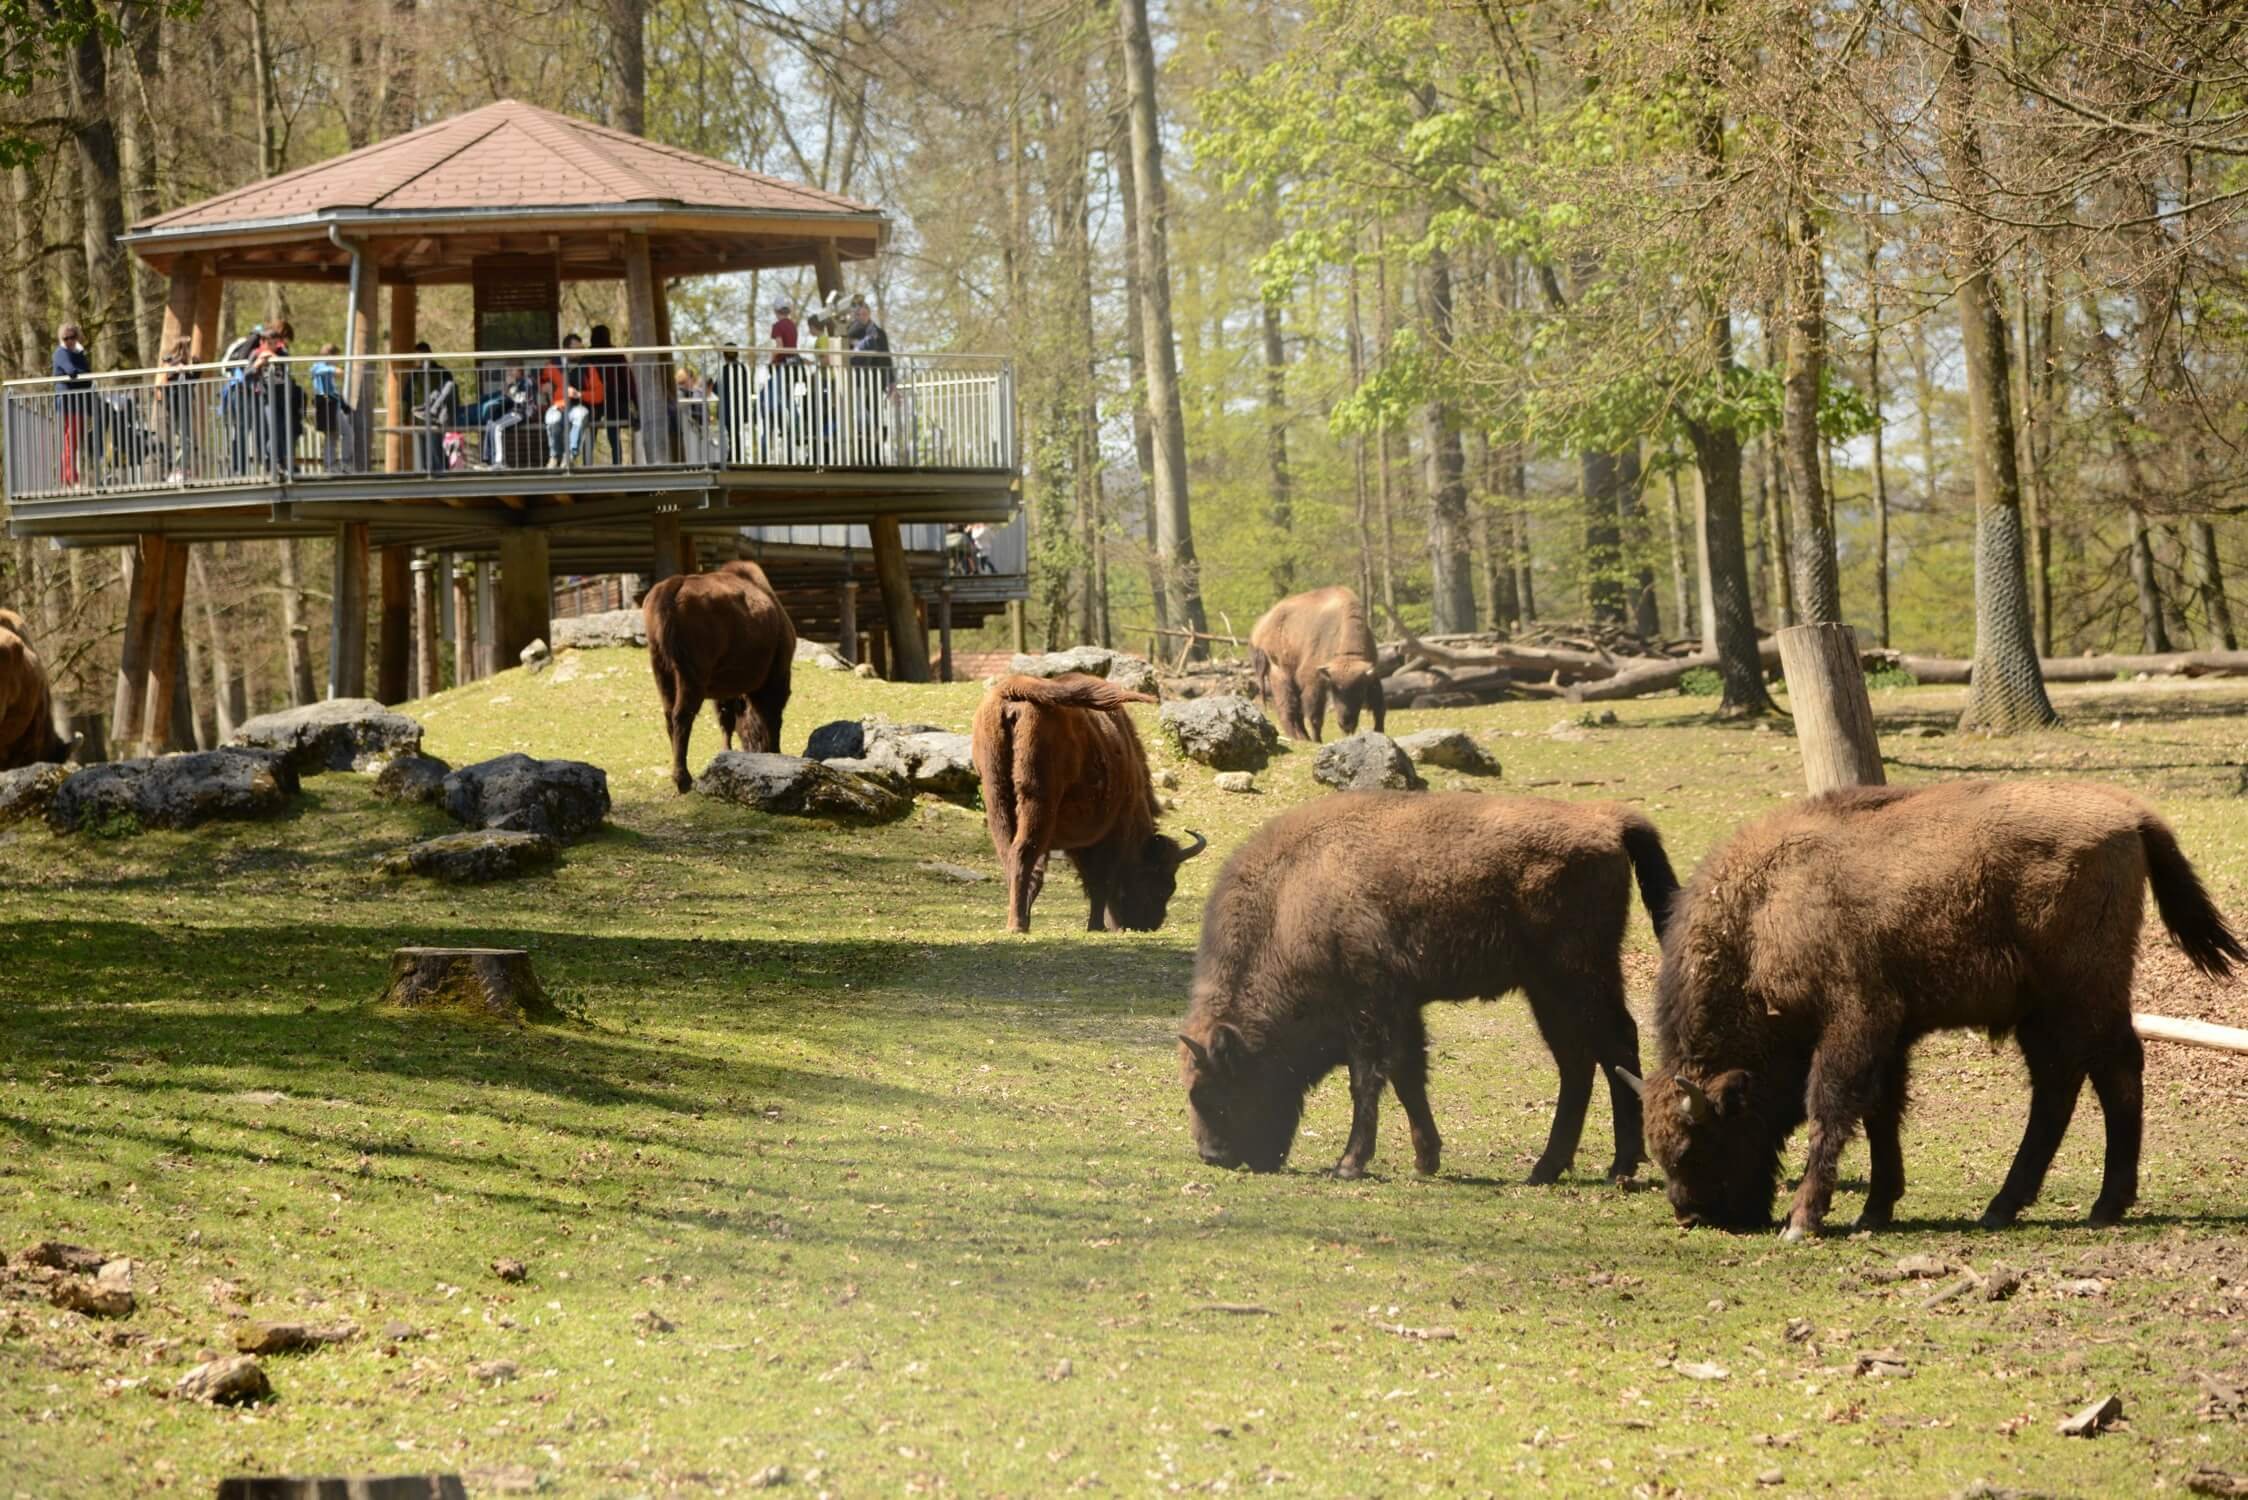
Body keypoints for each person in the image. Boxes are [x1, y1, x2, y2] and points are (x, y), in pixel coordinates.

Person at [541, 333, 603, 469]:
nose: (579, 353)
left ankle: (570, 456)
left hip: (579, 406)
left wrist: (580, 394)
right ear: (566, 349)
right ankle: (554, 456)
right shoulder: (552, 365)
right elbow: (541, 383)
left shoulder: (588, 368)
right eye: (576, 349)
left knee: (580, 416)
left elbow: (599, 395)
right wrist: (545, 387)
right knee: (552, 417)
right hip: (559, 406)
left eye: (581, 349)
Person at [52, 322, 94, 488]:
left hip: (78, 402)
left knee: (73, 442)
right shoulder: (60, 353)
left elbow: (87, 374)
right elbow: (71, 371)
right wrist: (81, 374)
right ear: (62, 338)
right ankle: (70, 478)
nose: (69, 340)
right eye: (66, 337)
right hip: (67, 403)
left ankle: (69, 477)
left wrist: (82, 372)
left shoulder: (78, 353)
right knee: (70, 441)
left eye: (72, 337)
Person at [760, 296, 802, 455]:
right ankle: (797, 425)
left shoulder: (777, 326)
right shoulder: (792, 325)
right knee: (789, 399)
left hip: (782, 366)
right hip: (793, 366)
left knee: (773, 399)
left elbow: (780, 347)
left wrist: (771, 361)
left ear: (776, 311)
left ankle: (775, 425)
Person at [586, 325, 633, 465]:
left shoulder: (589, 356)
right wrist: (631, 400)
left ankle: (586, 466)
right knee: (613, 434)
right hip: (614, 398)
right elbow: (627, 379)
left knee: (590, 431)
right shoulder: (616, 354)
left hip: (596, 399)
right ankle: (617, 465)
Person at [476, 365, 535, 468]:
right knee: (490, 423)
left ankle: (499, 461)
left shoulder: (526, 382)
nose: (510, 373)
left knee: (498, 427)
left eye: (512, 369)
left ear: (520, 370)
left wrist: (510, 385)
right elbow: (509, 398)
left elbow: (519, 399)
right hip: (512, 412)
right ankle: (487, 459)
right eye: (508, 370)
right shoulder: (515, 383)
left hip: (522, 413)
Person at [308, 343, 355, 473]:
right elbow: (315, 370)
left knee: (333, 436)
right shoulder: (319, 366)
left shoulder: (326, 368)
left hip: (333, 405)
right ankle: (341, 463)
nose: (337, 361)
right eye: (336, 357)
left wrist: (344, 405)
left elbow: (333, 390)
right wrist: (333, 370)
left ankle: (332, 465)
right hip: (326, 406)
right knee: (345, 433)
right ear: (329, 355)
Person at [156, 337, 195, 485]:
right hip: (175, 407)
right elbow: (165, 379)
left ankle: (181, 469)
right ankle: (176, 470)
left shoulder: (186, 363)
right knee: (183, 440)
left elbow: (194, 377)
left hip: (183, 406)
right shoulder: (171, 363)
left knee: (186, 441)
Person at [712, 345, 753, 464]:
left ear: (724, 356)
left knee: (732, 433)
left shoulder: (724, 370)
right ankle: (736, 455)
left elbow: (716, 388)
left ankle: (735, 455)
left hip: (728, 408)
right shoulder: (743, 369)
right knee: (736, 432)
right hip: (740, 407)